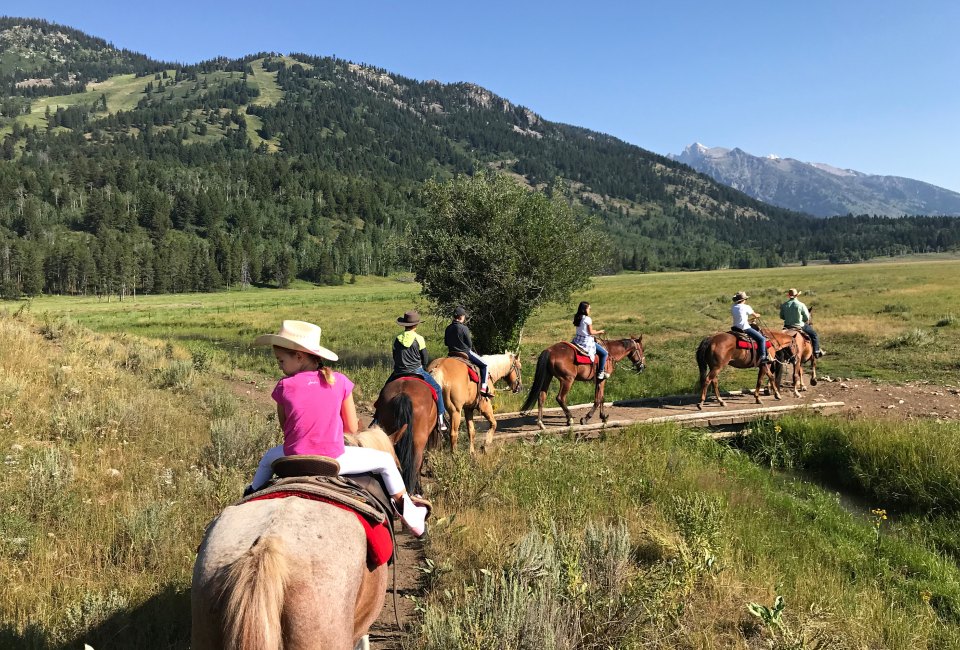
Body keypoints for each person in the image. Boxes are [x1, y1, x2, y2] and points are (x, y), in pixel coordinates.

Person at [247, 320, 428, 537]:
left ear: (299, 356)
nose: (279, 365)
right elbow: (351, 428)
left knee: (268, 457)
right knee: (386, 462)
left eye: (281, 360)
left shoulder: (284, 386)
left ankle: (250, 495)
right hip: (333, 458)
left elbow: (286, 428)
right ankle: (410, 514)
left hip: (293, 457)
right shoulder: (340, 381)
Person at [391, 310, 447, 431]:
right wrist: (423, 366)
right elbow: (425, 357)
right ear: (416, 325)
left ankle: (377, 417)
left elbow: (395, 355)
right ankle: (441, 419)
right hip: (416, 371)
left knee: (385, 390)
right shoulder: (419, 338)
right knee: (437, 388)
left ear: (404, 325)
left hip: (399, 372)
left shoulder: (397, 338)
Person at [444, 306, 491, 397]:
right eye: (464, 316)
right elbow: (469, 344)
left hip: (451, 353)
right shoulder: (464, 328)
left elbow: (446, 343)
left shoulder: (448, 328)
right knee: (485, 364)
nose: (465, 317)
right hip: (465, 352)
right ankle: (484, 387)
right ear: (461, 317)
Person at [780, 288, 825, 357]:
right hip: (799, 326)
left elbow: (782, 316)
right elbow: (806, 318)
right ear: (797, 295)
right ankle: (816, 351)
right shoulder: (801, 305)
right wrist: (801, 320)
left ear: (789, 296)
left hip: (787, 327)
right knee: (814, 335)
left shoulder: (784, 305)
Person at [572, 301, 609, 380]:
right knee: (604, 353)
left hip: (577, 341)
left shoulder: (577, 317)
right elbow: (591, 332)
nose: (590, 310)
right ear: (584, 309)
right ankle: (600, 372)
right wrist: (600, 331)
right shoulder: (587, 319)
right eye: (589, 308)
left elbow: (584, 330)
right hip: (586, 342)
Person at [731, 291, 768, 364]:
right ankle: (763, 356)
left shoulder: (733, 307)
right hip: (745, 328)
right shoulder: (746, 307)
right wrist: (758, 315)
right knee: (762, 339)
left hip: (735, 327)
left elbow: (740, 318)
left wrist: (749, 320)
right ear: (743, 300)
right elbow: (755, 315)